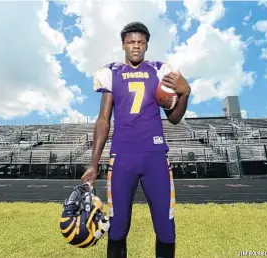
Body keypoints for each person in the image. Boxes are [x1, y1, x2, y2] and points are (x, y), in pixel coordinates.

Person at [81, 21, 191, 258]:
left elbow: (174, 118)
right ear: (123, 44)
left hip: (155, 158)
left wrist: (185, 93)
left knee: (165, 229)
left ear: (147, 45)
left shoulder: (160, 71)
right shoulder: (111, 73)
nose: (136, 46)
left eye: (140, 42)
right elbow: (103, 120)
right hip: (122, 157)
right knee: (118, 228)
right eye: (131, 42)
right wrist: (93, 163)